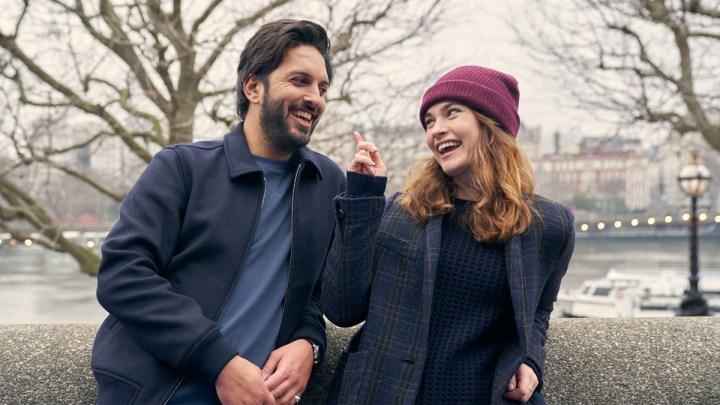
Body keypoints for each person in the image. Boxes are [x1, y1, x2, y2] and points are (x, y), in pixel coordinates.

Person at [91, 19, 346, 405]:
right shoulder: (181, 167)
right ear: (253, 87)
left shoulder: (327, 182)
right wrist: (220, 362)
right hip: (159, 394)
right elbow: (122, 274)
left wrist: (309, 343)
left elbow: (313, 295)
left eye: (322, 87)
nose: (315, 97)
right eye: (299, 81)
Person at [322, 65, 575, 404]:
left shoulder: (548, 226)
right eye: (429, 121)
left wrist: (529, 358)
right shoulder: (401, 213)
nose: (436, 130)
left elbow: (539, 309)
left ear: (491, 123)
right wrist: (363, 197)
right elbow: (341, 309)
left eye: (451, 113)